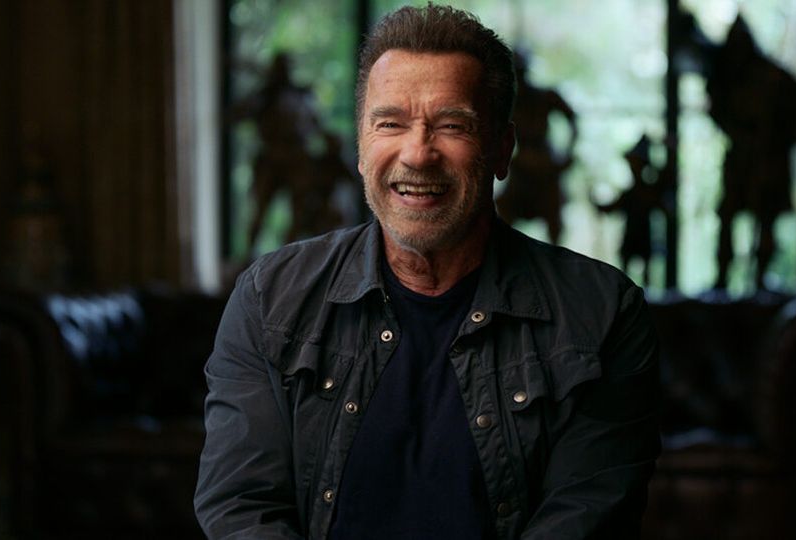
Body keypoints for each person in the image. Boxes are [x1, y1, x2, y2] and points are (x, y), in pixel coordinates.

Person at [195, 4, 660, 539]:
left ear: (501, 149)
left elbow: (586, 523)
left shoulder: (602, 316)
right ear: (361, 146)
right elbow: (241, 508)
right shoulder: (269, 300)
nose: (418, 154)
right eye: (390, 123)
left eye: (452, 125)